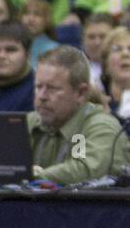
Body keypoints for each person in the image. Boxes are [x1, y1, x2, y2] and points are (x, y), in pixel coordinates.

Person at [28, 46, 130, 183]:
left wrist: (32, 176)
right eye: (38, 87)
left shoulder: (99, 127)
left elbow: (82, 169)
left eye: (52, 88)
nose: (42, 96)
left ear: (80, 93)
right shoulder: (30, 121)